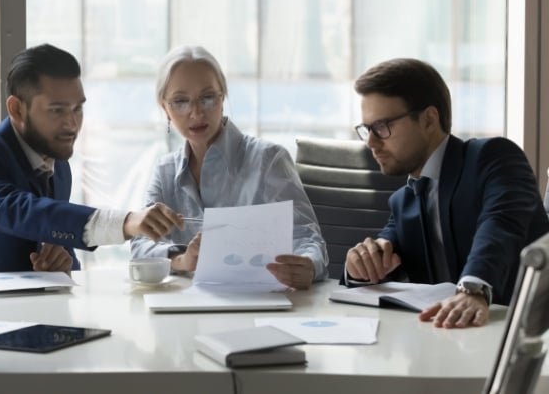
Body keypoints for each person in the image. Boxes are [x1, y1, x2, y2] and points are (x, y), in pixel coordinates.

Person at [0, 44, 182, 274]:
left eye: (78, 108)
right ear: (16, 109)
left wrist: (62, 263)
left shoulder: (59, 170)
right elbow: (18, 211)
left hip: (18, 312)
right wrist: (125, 222)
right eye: (57, 110)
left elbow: (56, 233)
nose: (71, 123)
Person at [345, 58, 549, 328]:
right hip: (451, 341)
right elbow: (384, 253)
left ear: (429, 119)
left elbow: (500, 224)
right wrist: (359, 266)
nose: (371, 142)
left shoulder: (491, 158)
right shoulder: (403, 201)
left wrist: (473, 289)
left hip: (525, 338)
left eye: (382, 126)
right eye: (367, 129)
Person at [130, 45, 329, 289]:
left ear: (222, 97)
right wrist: (182, 260)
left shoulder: (269, 160)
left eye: (207, 97)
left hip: (257, 304)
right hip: (186, 310)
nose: (196, 112)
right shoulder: (165, 171)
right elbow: (140, 245)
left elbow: (308, 239)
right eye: (181, 101)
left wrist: (307, 265)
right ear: (165, 109)